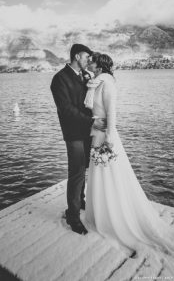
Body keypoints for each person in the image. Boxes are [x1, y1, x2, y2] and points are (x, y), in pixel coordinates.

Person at [83, 53, 174, 271]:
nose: (89, 63)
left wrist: (108, 137)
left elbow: (112, 112)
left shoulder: (107, 83)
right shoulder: (95, 83)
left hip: (106, 136)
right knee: (99, 175)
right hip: (96, 132)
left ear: (100, 65)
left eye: (92, 61)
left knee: (110, 175)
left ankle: (113, 216)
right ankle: (101, 212)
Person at [50, 44, 107, 235]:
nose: (88, 61)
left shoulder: (85, 76)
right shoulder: (59, 79)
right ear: (76, 56)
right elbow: (66, 109)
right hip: (74, 132)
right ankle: (73, 217)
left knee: (83, 169)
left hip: (87, 131)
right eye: (86, 57)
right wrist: (92, 120)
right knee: (76, 173)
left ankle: (81, 201)